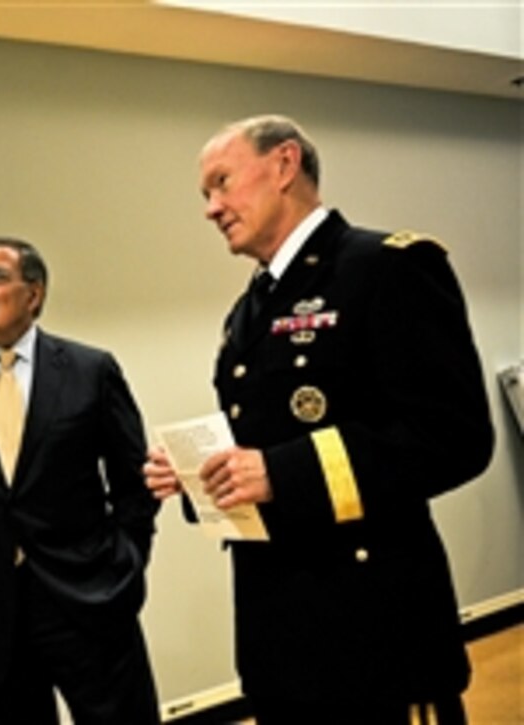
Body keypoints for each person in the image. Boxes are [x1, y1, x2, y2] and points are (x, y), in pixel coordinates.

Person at [145, 115, 494, 724]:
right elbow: (264, 441)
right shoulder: (247, 309)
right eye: (206, 194)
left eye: (222, 183)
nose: (212, 207)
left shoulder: (386, 267)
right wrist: (201, 475)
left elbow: (455, 437)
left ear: (284, 165)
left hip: (374, 630)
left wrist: (281, 472)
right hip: (278, 636)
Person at [0, 237, 162, 724]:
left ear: (34, 294)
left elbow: (135, 484)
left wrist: (126, 566)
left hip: (89, 603)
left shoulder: (90, 371)